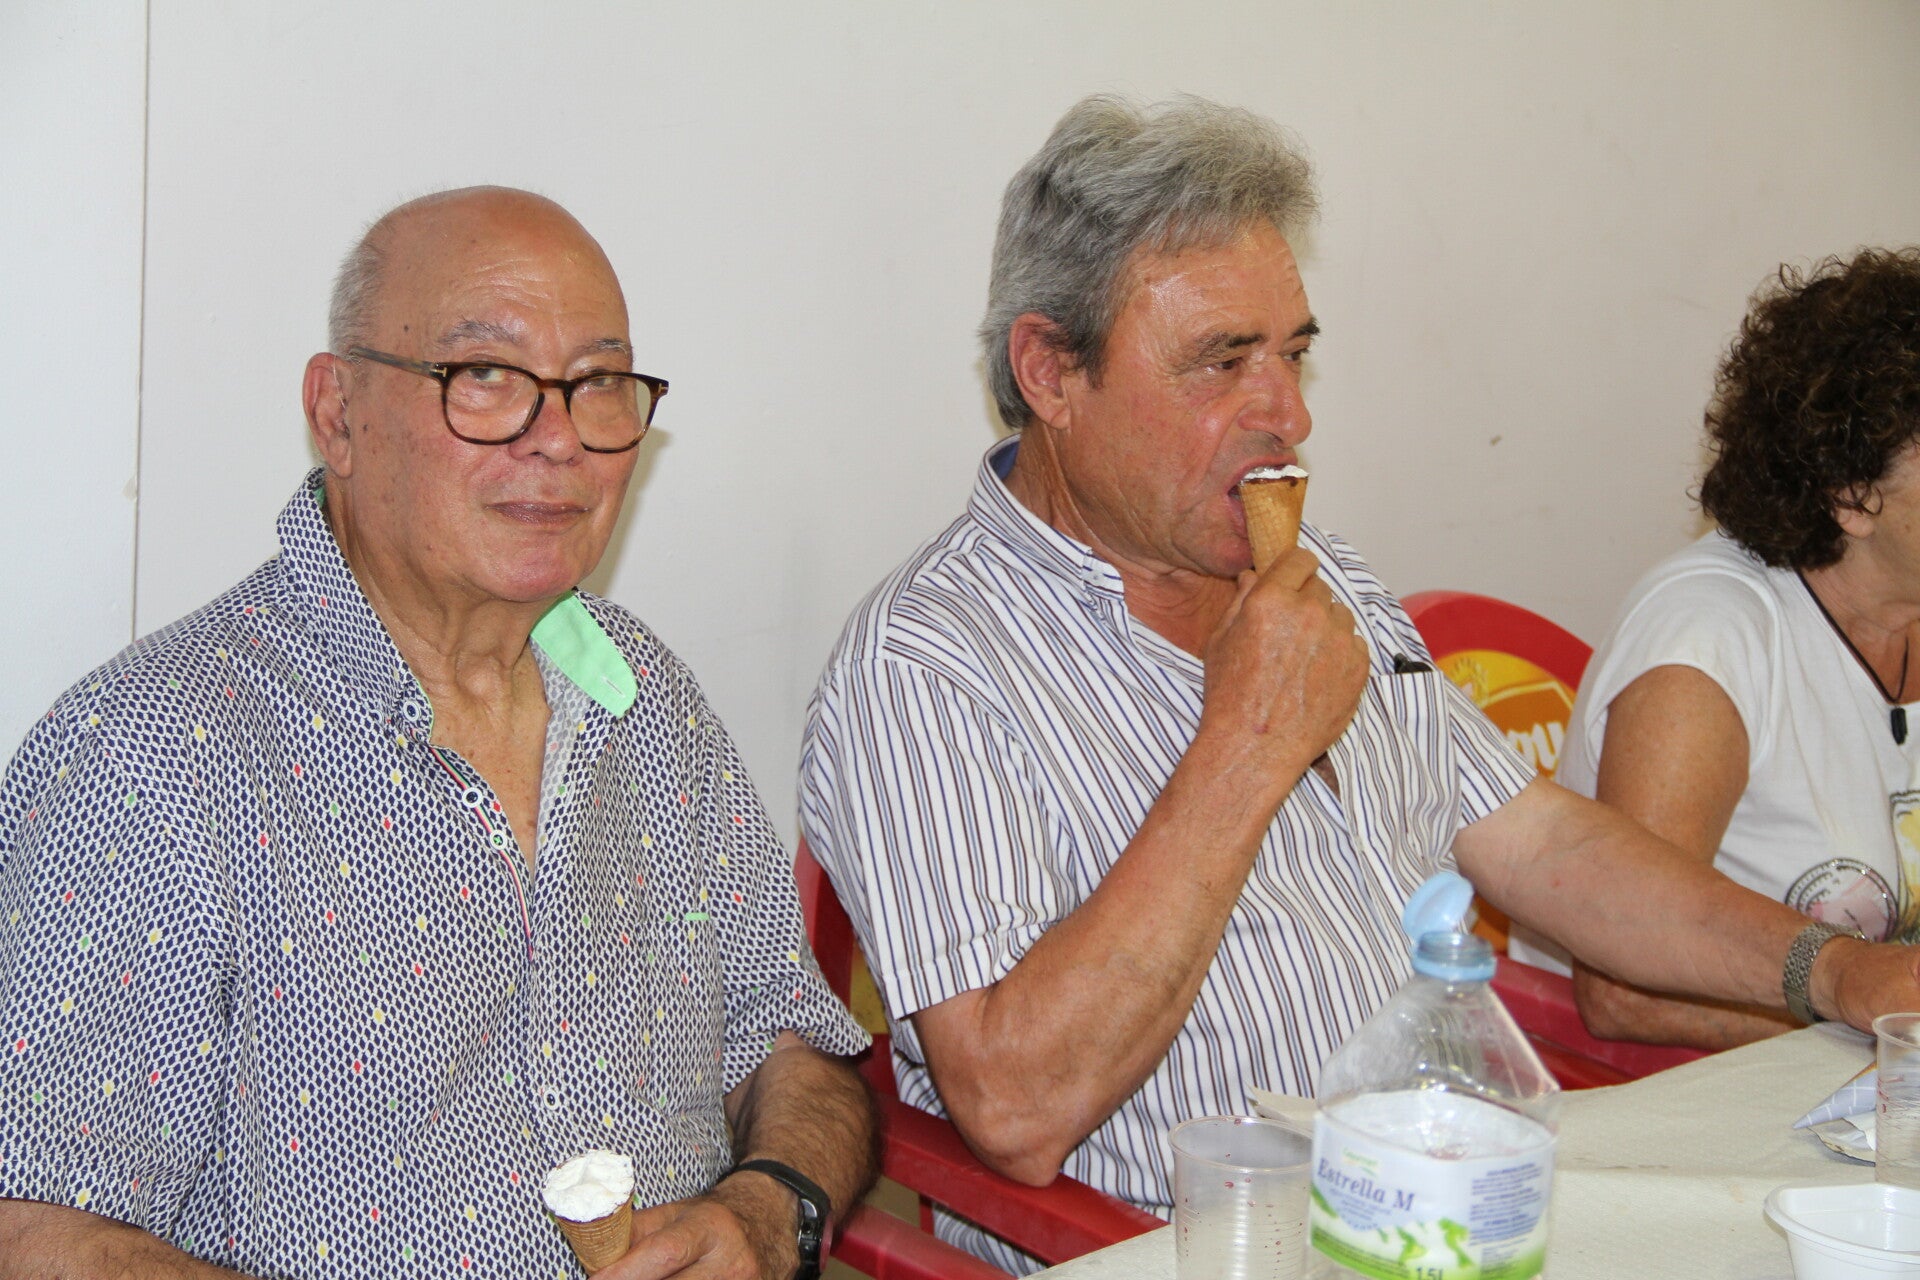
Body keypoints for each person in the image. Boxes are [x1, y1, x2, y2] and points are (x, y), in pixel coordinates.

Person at [796, 95, 1920, 1272]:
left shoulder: (1318, 574)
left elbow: (1545, 844)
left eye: (1292, 354)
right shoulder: (926, 663)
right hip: (1201, 1242)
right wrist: (1247, 741)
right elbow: (1016, 1105)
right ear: (1050, 371)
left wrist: (1833, 966)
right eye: (1221, 362)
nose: (1288, 414)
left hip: (1428, 1204)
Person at [0, 188, 874, 1280]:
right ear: (338, 412)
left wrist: (766, 1207)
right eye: (487, 376)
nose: (558, 439)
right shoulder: (147, 756)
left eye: (599, 383)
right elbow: (30, 1229)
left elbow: (798, 1048)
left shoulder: (646, 696)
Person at [1518, 248, 1920, 1051]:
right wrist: (1875, 1023)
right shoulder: (1705, 644)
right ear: (1851, 494)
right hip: (1682, 1088)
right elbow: (1624, 994)